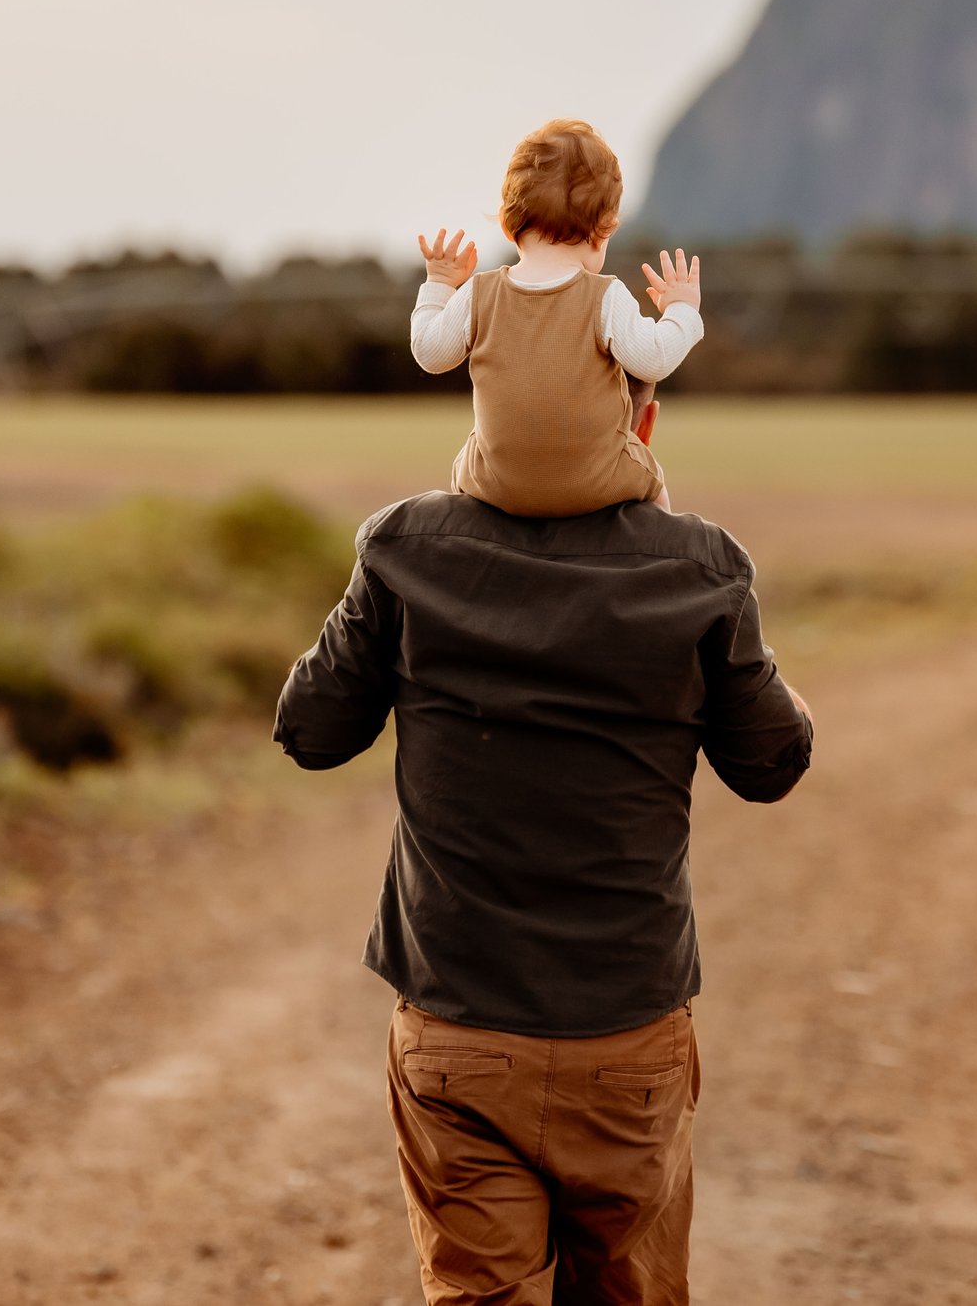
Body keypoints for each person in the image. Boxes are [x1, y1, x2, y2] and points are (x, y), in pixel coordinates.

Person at [274, 375, 813, 1305]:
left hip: (457, 1029)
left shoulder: (404, 547)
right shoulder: (700, 566)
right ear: (643, 422)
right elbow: (774, 762)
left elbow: (310, 731)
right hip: (628, 1037)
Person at [411, 118, 704, 518]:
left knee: (468, 456)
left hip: (496, 485)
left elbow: (429, 353)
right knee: (656, 488)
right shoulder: (605, 295)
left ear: (510, 227)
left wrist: (440, 285)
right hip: (597, 483)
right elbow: (653, 359)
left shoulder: (478, 293)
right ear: (602, 232)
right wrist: (682, 310)